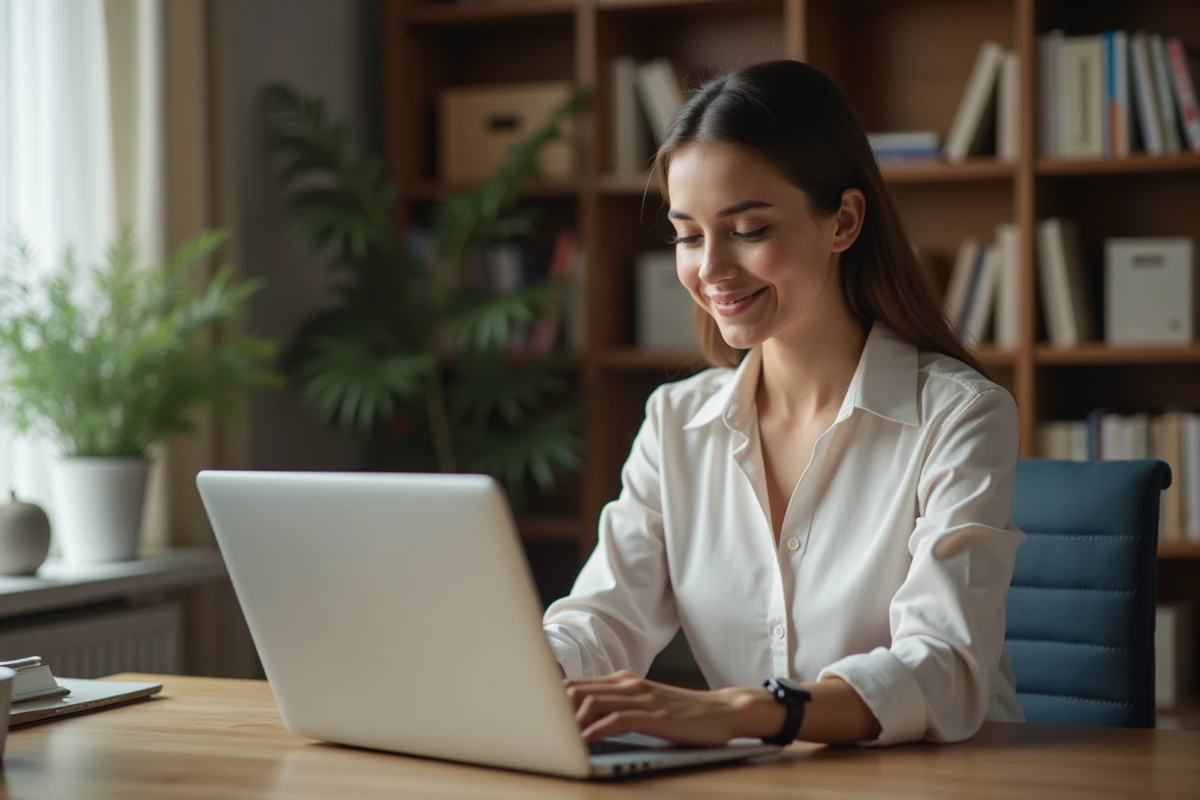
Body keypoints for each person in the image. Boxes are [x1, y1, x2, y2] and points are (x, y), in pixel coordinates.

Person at [541, 58, 1026, 749]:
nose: (709, 269)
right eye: (687, 234)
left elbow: (943, 664)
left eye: (748, 230)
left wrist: (744, 713)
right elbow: (602, 620)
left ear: (844, 221)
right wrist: (515, 671)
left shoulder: (960, 416)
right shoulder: (675, 423)